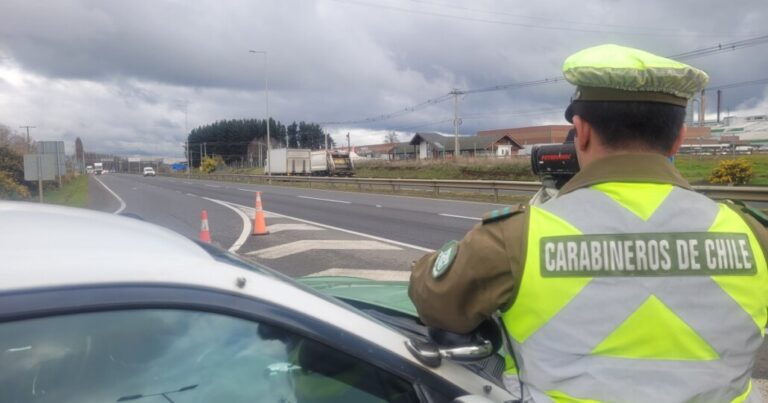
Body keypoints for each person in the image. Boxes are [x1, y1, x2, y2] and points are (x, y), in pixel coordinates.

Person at [408, 44, 768, 402]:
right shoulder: (751, 234)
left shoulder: (517, 237)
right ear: (678, 138)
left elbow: (435, 301)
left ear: (581, 132)